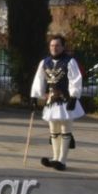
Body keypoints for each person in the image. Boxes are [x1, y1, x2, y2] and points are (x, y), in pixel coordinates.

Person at [30, 35, 84, 171]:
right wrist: (35, 96)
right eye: (52, 45)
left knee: (66, 130)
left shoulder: (70, 61)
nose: (54, 48)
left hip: (66, 100)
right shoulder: (45, 62)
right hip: (52, 101)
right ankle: (55, 157)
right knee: (53, 130)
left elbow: (75, 79)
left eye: (57, 45)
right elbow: (39, 79)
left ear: (63, 47)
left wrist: (74, 96)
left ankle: (62, 160)